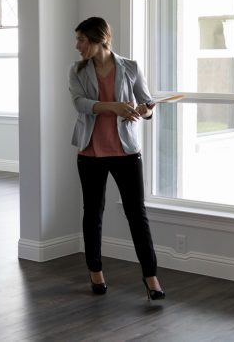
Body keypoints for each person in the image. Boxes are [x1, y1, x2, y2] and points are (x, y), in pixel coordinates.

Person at [68, 16, 165, 300]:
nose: (78, 46)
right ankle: (95, 271)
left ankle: (151, 277)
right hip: (90, 152)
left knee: (137, 215)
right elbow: (79, 103)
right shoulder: (77, 70)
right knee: (92, 213)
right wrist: (114, 107)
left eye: (82, 40)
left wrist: (143, 110)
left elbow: (147, 104)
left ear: (100, 40)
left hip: (126, 152)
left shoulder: (131, 67)